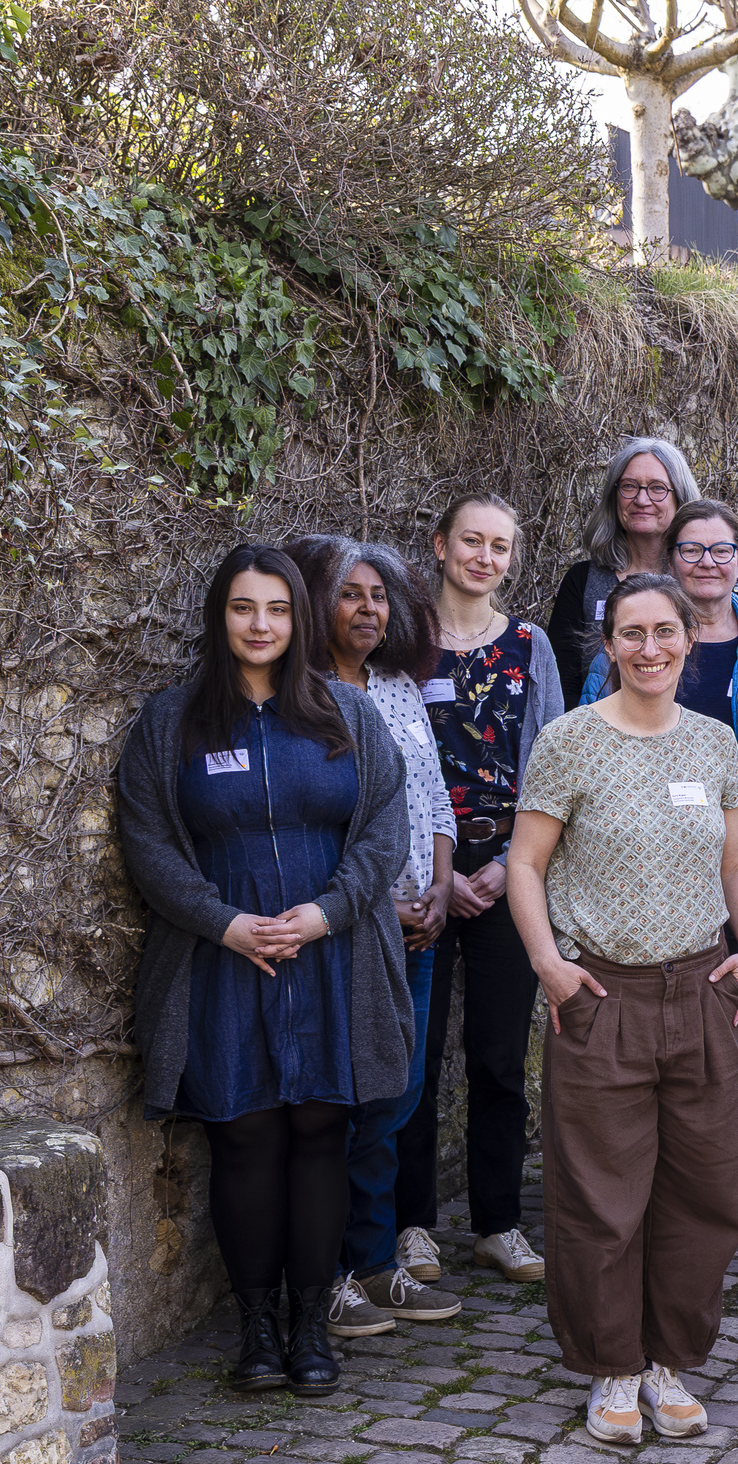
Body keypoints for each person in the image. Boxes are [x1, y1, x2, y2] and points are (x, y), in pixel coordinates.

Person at [118, 546, 414, 1398]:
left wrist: (328, 911)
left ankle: (311, 1323)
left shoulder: (345, 716)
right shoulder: (170, 723)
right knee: (243, 1137)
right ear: (221, 617)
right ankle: (255, 1324)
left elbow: (384, 828)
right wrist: (226, 922)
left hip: (335, 955)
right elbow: (149, 845)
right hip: (221, 961)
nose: (261, 625)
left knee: (322, 1131)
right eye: (244, 608)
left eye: (277, 609)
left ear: (299, 620)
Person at [508, 573, 738, 1447]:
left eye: (666, 632)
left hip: (701, 989)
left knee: (705, 1187)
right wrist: (550, 966)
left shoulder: (715, 741)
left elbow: (735, 862)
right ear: (609, 644)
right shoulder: (569, 741)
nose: (650, 648)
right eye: (632, 634)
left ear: (689, 641)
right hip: (602, 991)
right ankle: (614, 1366)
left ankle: (668, 1359)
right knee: (601, 1193)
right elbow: (526, 866)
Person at [284, 536, 462, 1338]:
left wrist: (441, 886)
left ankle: (377, 1262)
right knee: (345, 1105)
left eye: (379, 595)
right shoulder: (298, 696)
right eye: (350, 594)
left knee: (397, 1096)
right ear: (316, 601)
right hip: (352, 930)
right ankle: (330, 1276)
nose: (368, 609)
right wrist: (382, 904)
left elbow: (434, 799)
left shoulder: (397, 687)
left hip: (421, 926)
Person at [397, 495, 565, 1289]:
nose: (485, 557)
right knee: (416, 1060)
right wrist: (441, 874)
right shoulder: (401, 644)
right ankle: (411, 1226)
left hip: (509, 875)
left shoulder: (530, 646)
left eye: (500, 545)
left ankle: (498, 1222)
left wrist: (508, 863)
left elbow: (552, 763)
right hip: (420, 881)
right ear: (440, 545)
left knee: (499, 1058)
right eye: (471, 540)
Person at [582, 500, 738, 1098]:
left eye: (721, 550)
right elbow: (593, 743)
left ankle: (724, 1168)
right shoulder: (624, 653)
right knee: (648, 1024)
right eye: (690, 550)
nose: (706, 562)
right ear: (670, 559)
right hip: (646, 862)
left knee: (733, 1016)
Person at [545, 436, 701, 693]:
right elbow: (563, 682)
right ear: (614, 496)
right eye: (629, 486)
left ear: (680, 497)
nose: (641, 500)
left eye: (657, 488)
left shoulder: (704, 575)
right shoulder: (582, 581)